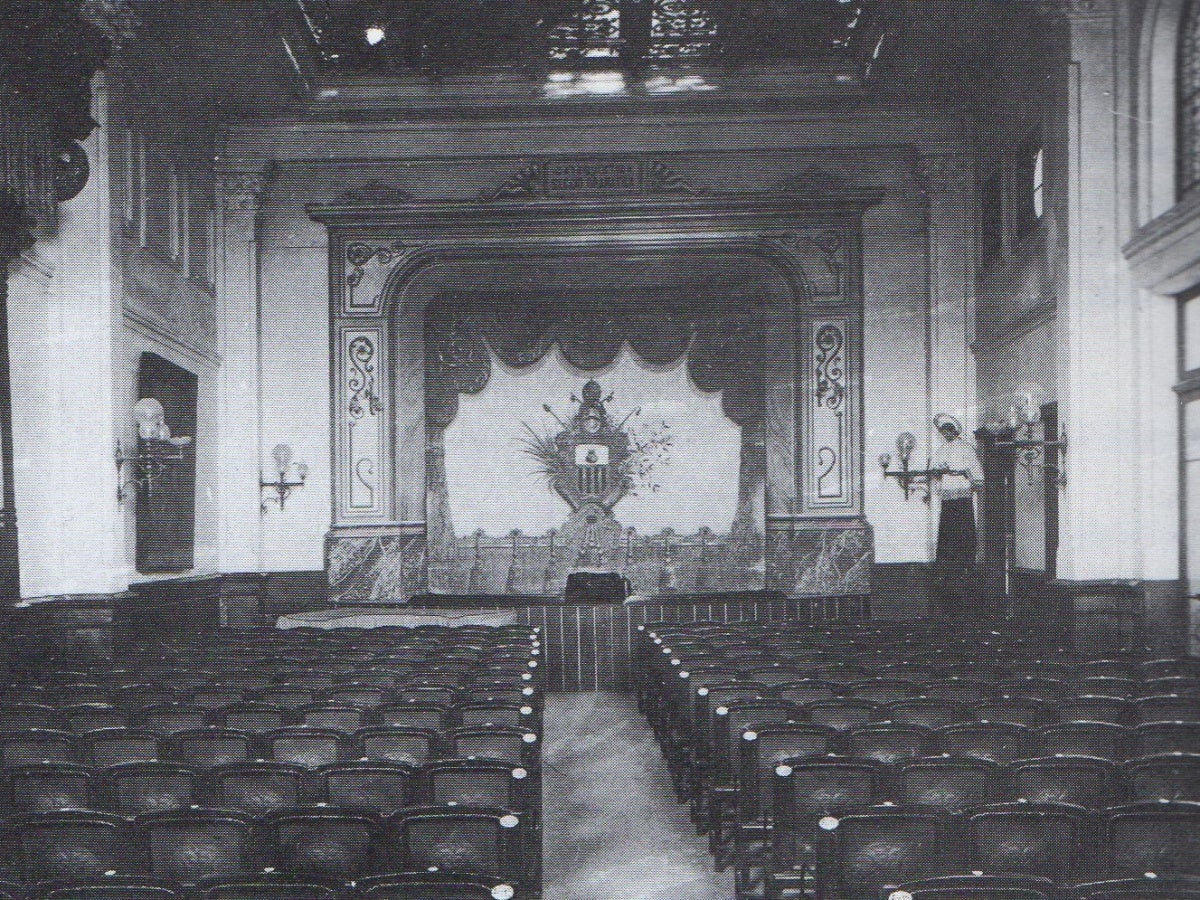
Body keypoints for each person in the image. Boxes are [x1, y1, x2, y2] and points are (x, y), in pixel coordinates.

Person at [930, 414, 981, 614]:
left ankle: (965, 563)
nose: (946, 435)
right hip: (948, 494)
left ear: (955, 431)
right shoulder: (942, 449)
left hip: (962, 492)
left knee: (964, 528)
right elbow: (934, 468)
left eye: (949, 431)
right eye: (943, 432)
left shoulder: (966, 448)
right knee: (947, 531)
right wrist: (939, 469)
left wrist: (961, 471)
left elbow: (975, 470)